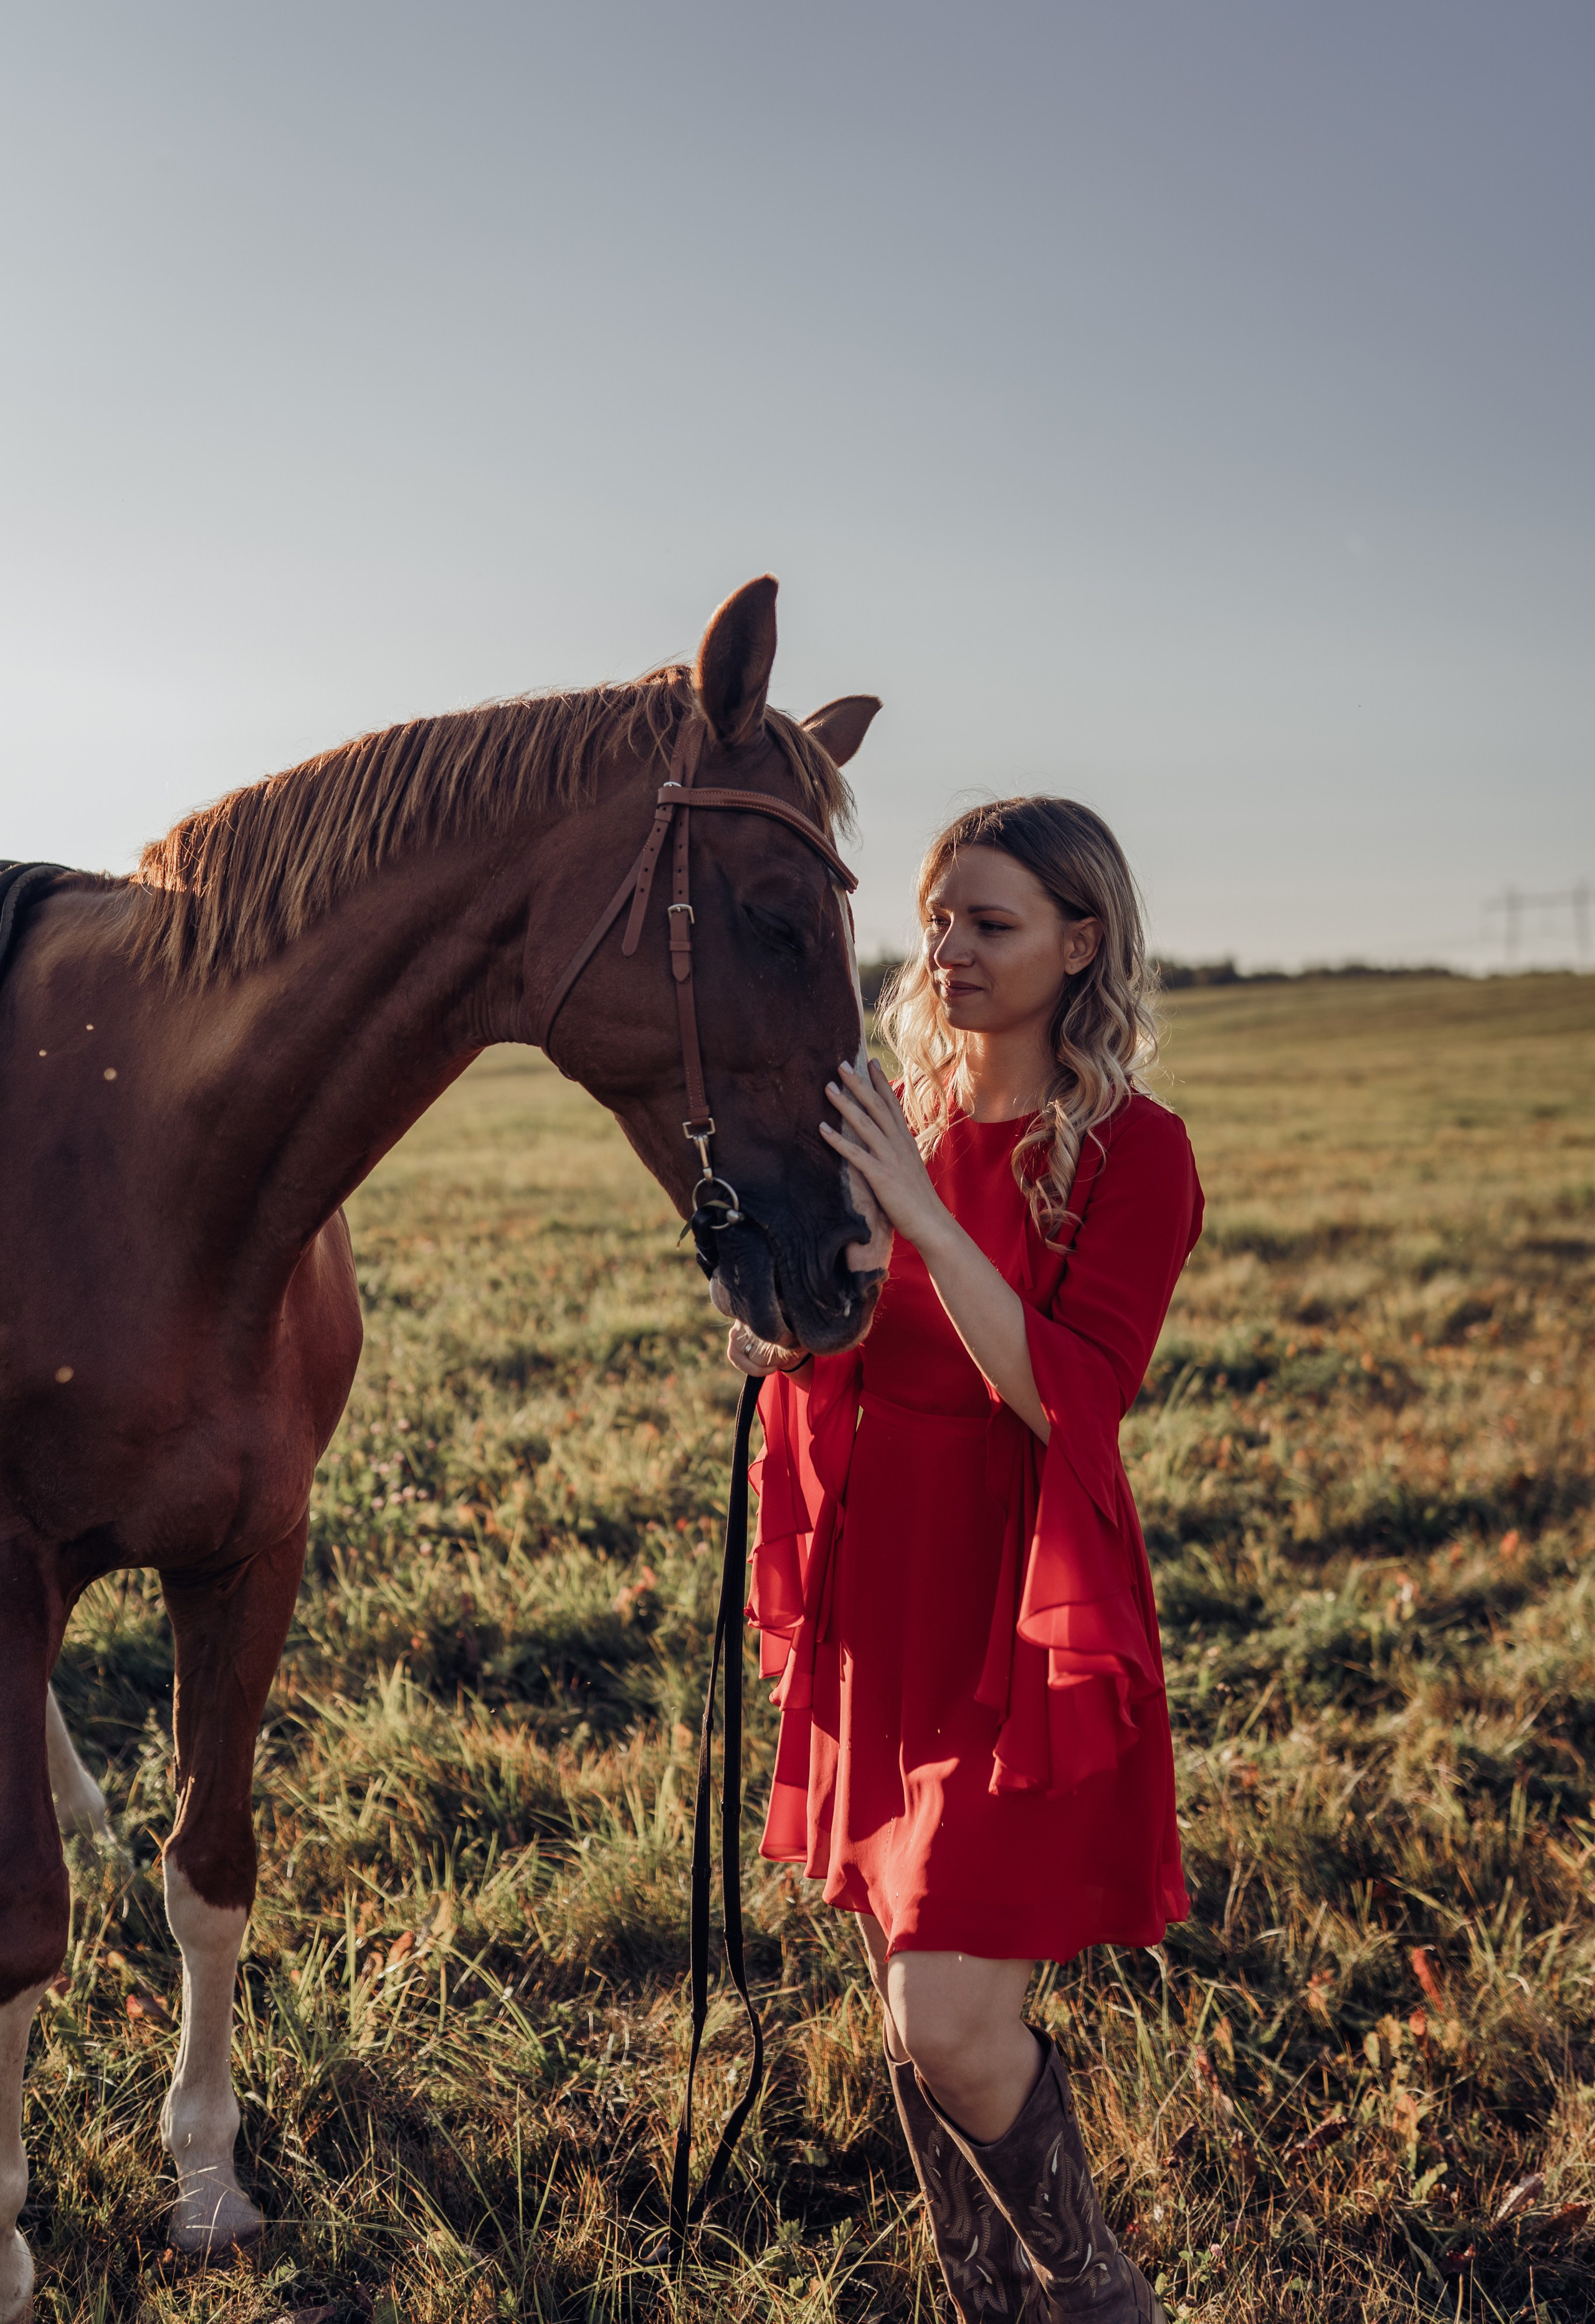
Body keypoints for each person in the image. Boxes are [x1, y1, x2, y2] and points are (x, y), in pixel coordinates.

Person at [727, 796, 1202, 2324]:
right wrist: (790, 1329)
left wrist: (926, 1214)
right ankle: (986, 2298)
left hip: (1015, 1603)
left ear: (1080, 944)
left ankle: (1095, 2296)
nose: (948, 952)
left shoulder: (1136, 1154)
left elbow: (1070, 1395)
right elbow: (859, 1341)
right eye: (935, 920)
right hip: (884, 1593)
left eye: (989, 925)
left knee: (945, 2019)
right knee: (900, 1999)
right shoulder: (887, 1110)